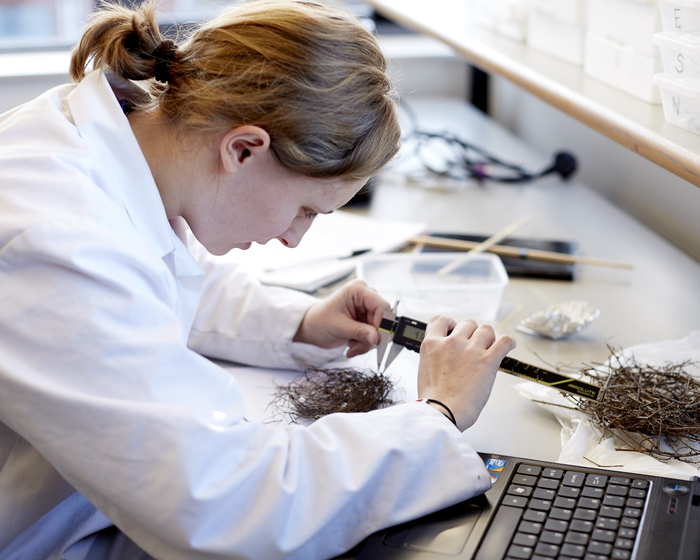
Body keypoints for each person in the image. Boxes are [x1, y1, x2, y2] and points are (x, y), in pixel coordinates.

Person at [0, 0, 516, 558]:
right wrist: (437, 415)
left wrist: (301, 321)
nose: (295, 239)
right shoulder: (57, 239)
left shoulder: (109, 142)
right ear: (243, 148)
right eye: (306, 209)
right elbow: (226, 499)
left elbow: (152, 277)